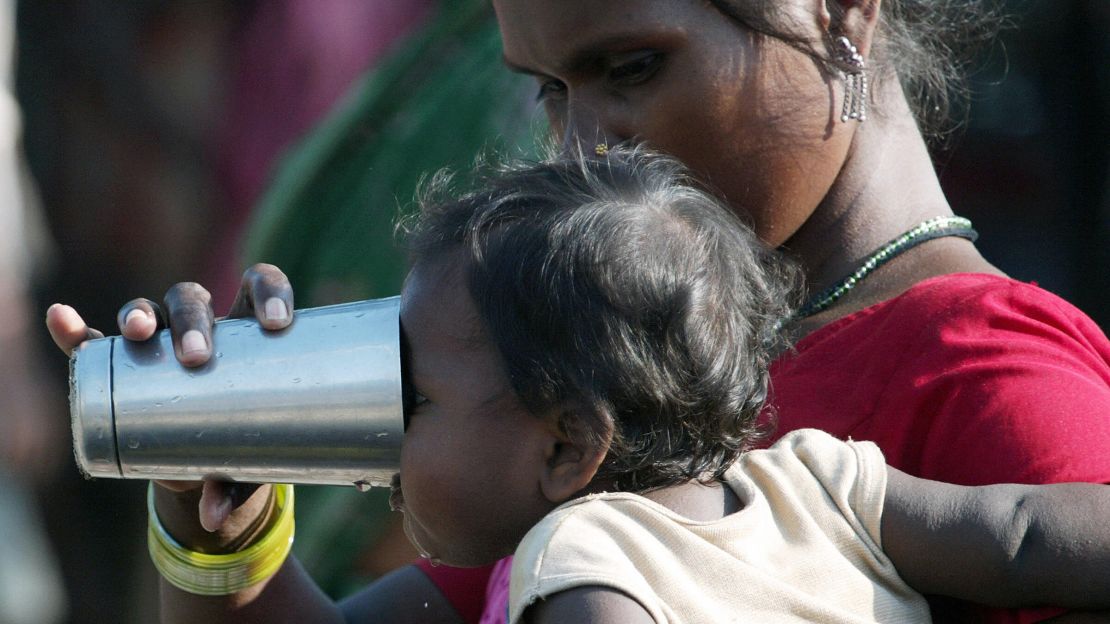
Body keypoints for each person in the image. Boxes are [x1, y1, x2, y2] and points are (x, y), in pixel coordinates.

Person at [46, 0, 1110, 622]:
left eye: (630, 68)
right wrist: (218, 507)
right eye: (550, 91)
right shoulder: (614, 387)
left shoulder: (995, 386)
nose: (581, 146)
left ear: (839, 13)